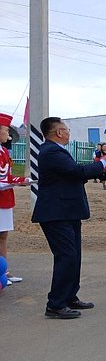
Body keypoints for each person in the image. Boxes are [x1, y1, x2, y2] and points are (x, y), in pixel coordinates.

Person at [32, 117, 106, 319]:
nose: (69, 132)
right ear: (58, 132)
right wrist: (103, 162)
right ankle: (56, 304)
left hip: (67, 211)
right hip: (56, 213)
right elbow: (77, 172)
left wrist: (93, 169)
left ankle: (69, 296)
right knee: (66, 256)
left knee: (74, 255)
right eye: (66, 129)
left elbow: (74, 174)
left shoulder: (57, 151)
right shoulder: (51, 151)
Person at [0, 113, 31, 285]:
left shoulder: (4, 151)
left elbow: (7, 176)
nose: (9, 134)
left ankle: (4, 271)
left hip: (5, 198)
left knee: (3, 236)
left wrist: (24, 180)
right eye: (6, 130)